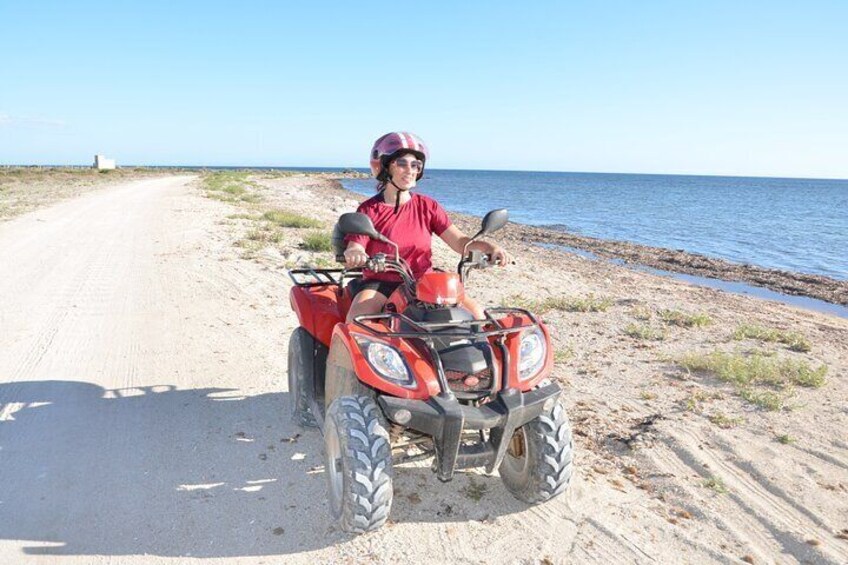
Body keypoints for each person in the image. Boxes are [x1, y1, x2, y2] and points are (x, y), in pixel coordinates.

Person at [344, 132, 508, 323]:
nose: (410, 170)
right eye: (402, 163)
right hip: (382, 283)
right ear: (386, 166)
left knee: (478, 317)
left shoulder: (427, 206)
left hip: (425, 282)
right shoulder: (369, 209)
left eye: (416, 165)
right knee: (357, 320)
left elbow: (459, 242)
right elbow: (356, 245)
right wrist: (355, 253)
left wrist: (489, 248)